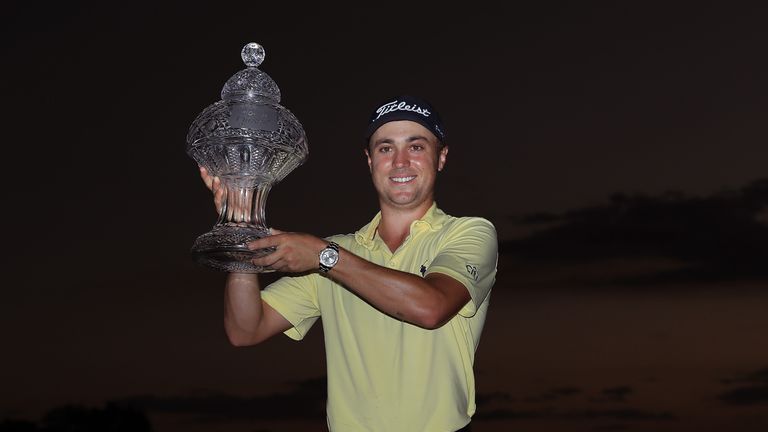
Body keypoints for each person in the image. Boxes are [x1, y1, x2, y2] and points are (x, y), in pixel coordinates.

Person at [200, 95, 498, 432]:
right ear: (369, 160)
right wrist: (241, 233)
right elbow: (245, 329)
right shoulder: (338, 252)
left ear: (441, 157)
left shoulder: (469, 233)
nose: (400, 162)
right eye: (386, 148)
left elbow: (432, 307)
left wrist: (323, 257)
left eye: (416, 147)